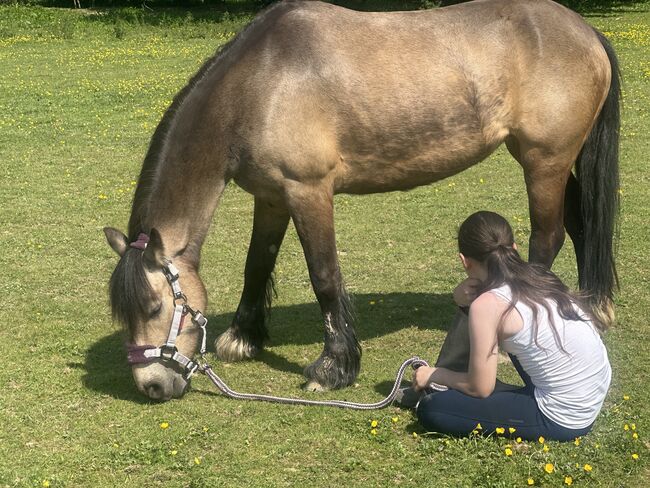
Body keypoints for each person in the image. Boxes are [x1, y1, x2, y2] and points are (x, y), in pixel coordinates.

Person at [408, 211, 611, 441]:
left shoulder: (488, 305)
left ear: (464, 261)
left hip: (564, 418)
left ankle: (510, 398)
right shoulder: (538, 275)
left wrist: (434, 374)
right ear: (514, 247)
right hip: (590, 395)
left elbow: (479, 388)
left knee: (432, 409)